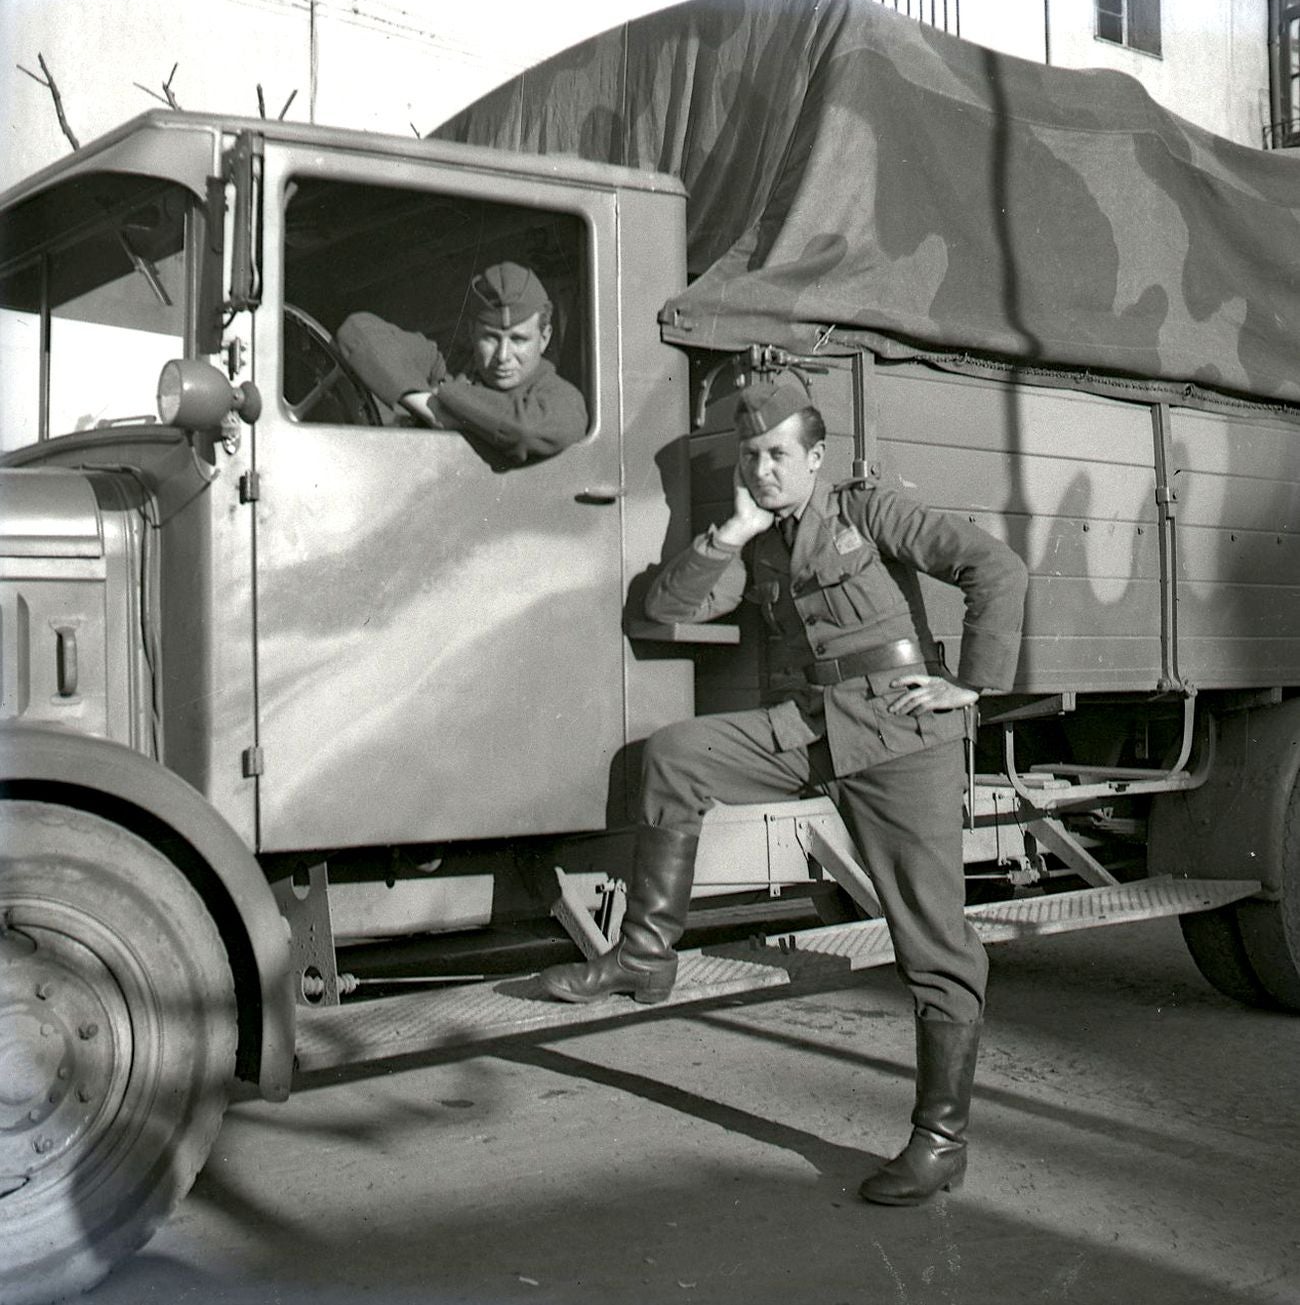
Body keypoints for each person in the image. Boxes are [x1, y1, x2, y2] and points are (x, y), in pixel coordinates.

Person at [540, 372, 1028, 1208]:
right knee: (672, 757)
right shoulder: (760, 539)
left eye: (777, 455)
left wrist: (974, 685)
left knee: (933, 943)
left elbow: (995, 567)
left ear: (815, 457)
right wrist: (730, 528)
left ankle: (941, 1141)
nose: (763, 469)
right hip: (811, 727)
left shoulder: (868, 512)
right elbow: (670, 605)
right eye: (751, 457)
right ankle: (647, 955)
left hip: (902, 737)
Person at [337, 261, 587, 464]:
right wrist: (431, 406)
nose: (502, 356)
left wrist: (450, 401)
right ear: (471, 332)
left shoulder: (562, 398)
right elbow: (358, 331)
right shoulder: (450, 367)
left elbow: (525, 431)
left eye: (519, 340)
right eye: (490, 338)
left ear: (544, 338)